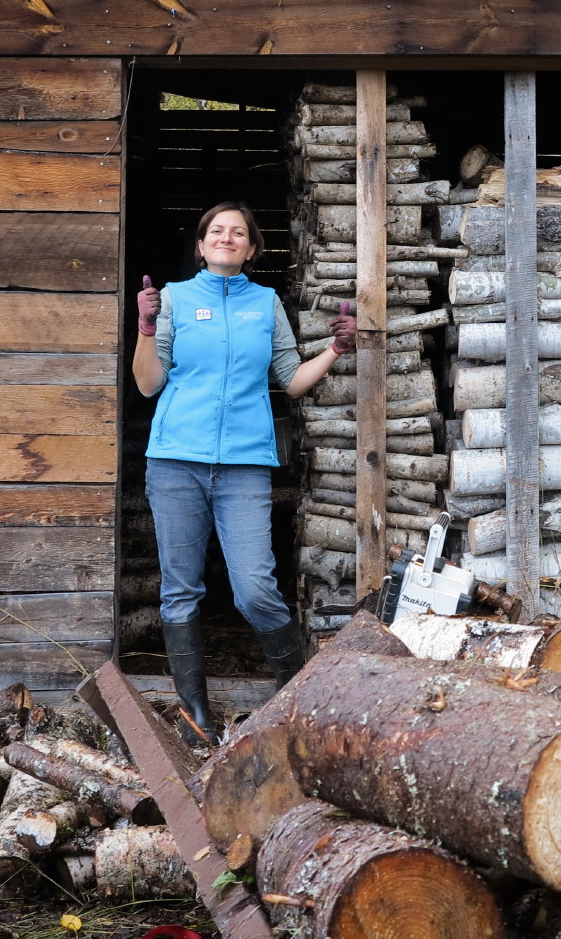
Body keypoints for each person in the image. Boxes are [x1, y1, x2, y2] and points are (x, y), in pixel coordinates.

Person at [133, 201, 355, 744]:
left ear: (252, 248)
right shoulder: (174, 299)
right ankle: (196, 718)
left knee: (255, 588)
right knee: (181, 590)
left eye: (238, 232)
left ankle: (298, 700)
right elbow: (147, 383)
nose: (226, 238)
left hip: (244, 466)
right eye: (216, 231)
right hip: (175, 461)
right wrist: (145, 327)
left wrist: (335, 349)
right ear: (201, 245)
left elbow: (291, 379)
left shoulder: (266, 302)